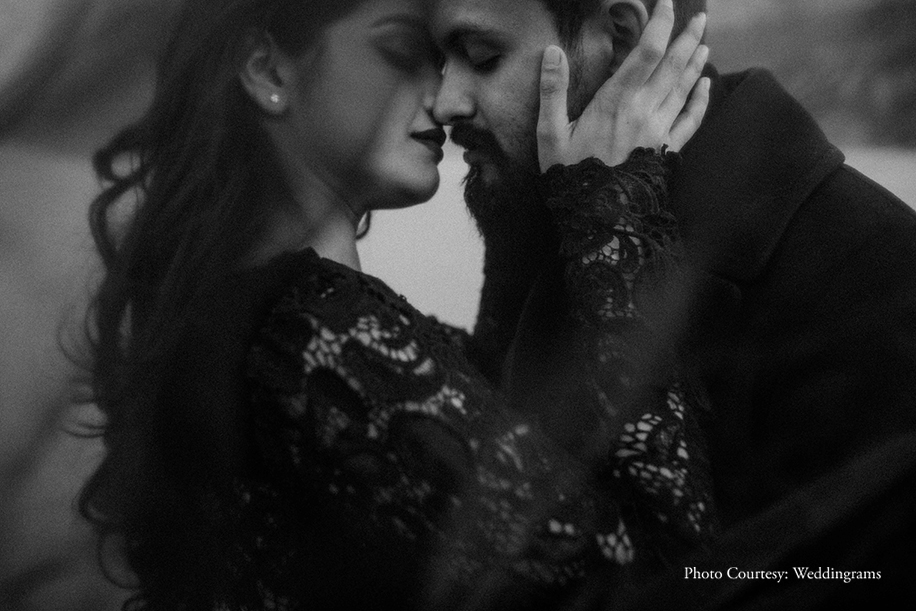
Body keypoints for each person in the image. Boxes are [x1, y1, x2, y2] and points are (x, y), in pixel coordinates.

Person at [78, 0, 716, 609]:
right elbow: (670, 582)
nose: (444, 98)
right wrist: (612, 208)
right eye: (404, 52)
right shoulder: (309, 339)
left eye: (460, 59)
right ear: (269, 70)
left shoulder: (266, 323)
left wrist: (524, 191)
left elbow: (511, 402)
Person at [429, 0, 916, 605]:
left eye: (483, 57)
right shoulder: (554, 203)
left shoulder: (871, 284)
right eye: (436, 60)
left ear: (620, 37)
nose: (445, 102)